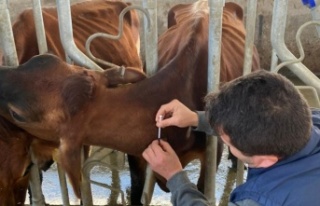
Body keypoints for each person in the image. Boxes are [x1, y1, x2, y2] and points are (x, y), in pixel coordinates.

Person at [142, 70, 320, 206]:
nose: (223, 140)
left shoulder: (264, 200)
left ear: (265, 160)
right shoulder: (307, 118)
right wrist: (196, 118)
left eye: (227, 143)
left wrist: (175, 178)